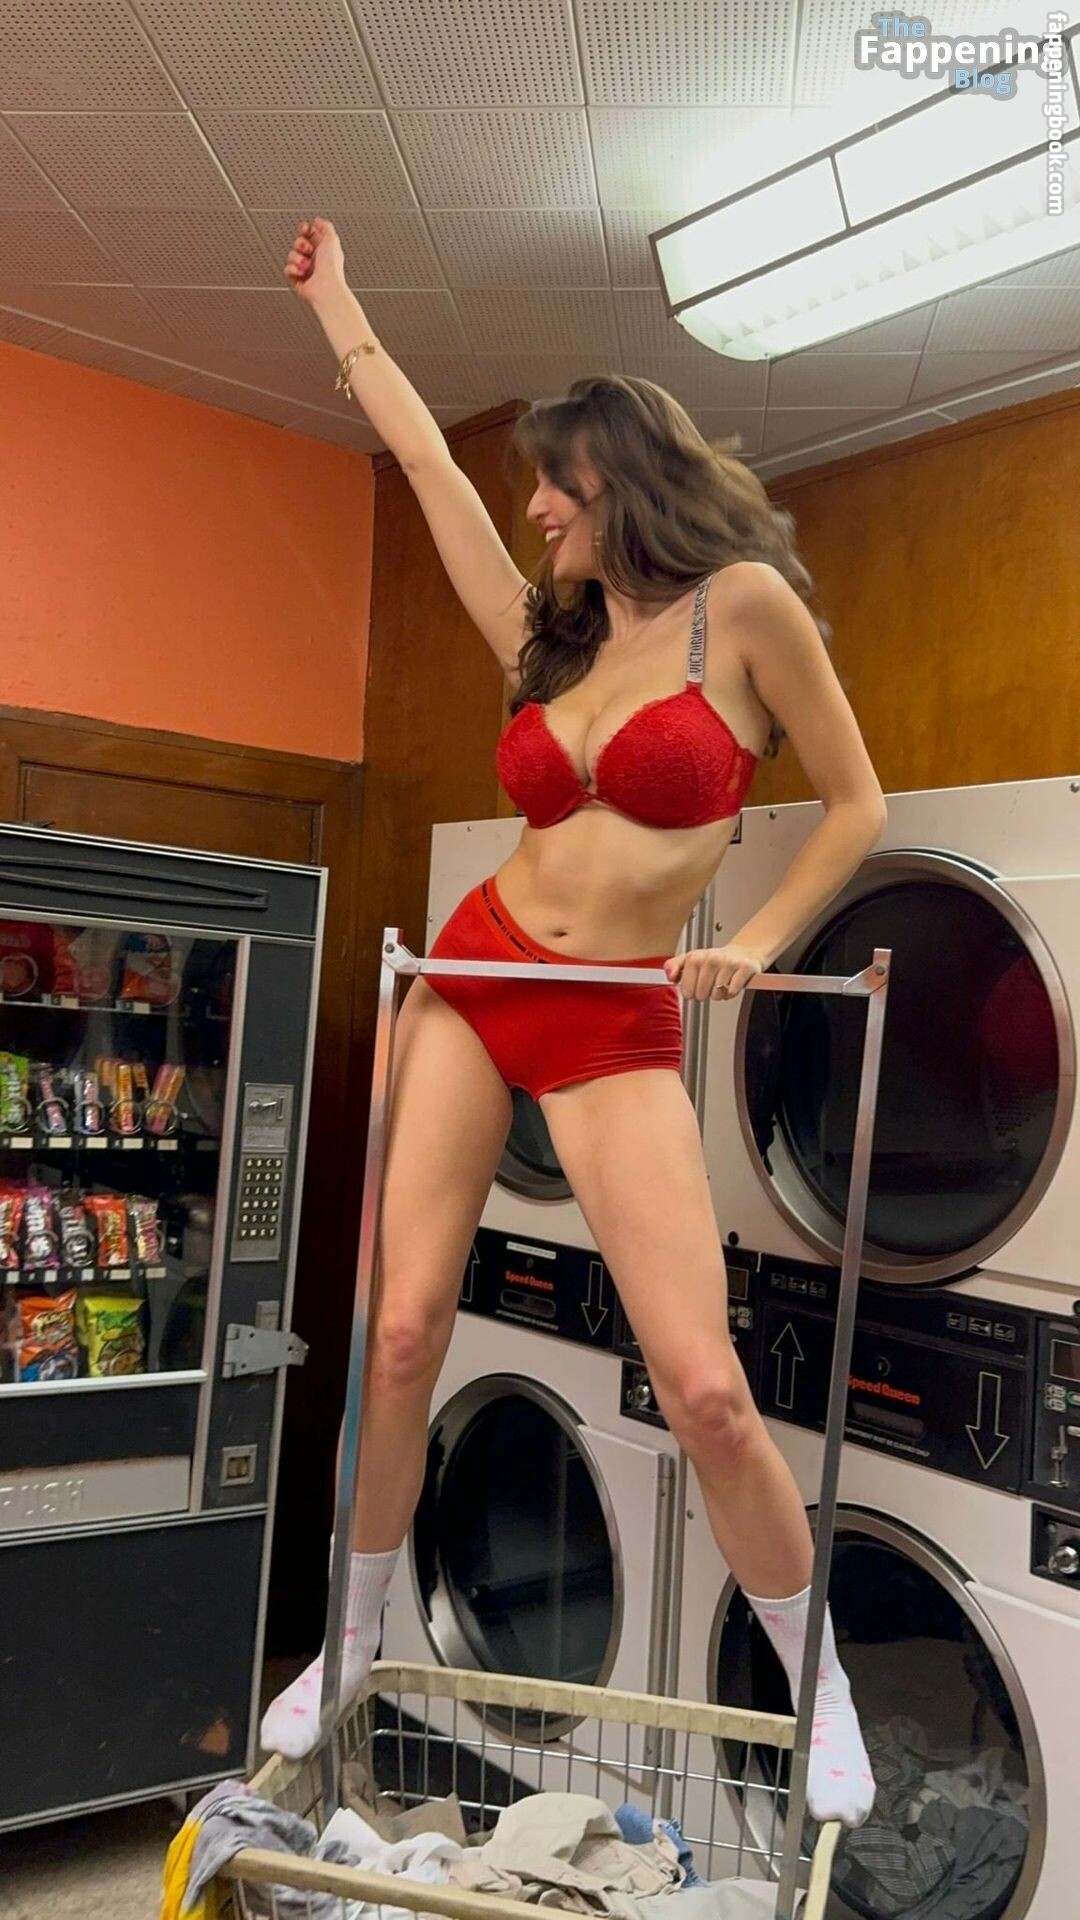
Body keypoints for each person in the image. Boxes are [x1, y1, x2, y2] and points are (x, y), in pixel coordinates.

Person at [260, 219, 888, 1828]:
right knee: (403, 1335)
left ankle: (815, 1689)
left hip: (613, 1022)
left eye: (558, 483)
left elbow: (858, 805)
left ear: (624, 480)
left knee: (708, 1390)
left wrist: (753, 942)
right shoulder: (552, 640)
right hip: (479, 979)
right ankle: (352, 1637)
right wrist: (341, 305)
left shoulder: (743, 611)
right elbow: (427, 469)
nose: (535, 507)